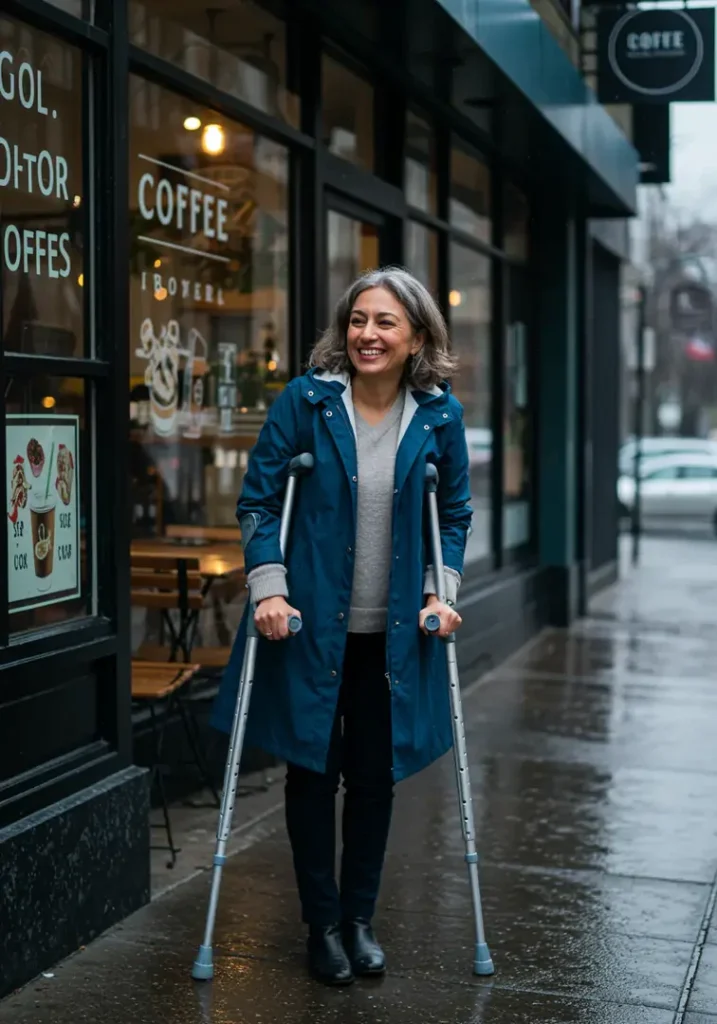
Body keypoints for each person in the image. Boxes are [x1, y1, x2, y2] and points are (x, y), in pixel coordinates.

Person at [211, 267, 472, 986]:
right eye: (358, 320)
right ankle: (319, 925)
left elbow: (452, 514)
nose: (367, 334)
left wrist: (438, 589)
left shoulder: (439, 417)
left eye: (385, 322)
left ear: (417, 335)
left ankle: (359, 919)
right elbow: (260, 500)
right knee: (310, 774)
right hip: (308, 626)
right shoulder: (307, 402)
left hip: (393, 633)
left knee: (373, 779)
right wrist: (267, 587)